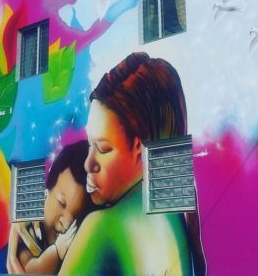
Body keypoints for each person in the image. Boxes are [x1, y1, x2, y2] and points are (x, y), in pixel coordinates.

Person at [60, 52, 206, 276]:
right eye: (90, 145)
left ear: (139, 148)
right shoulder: (177, 215)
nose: (88, 164)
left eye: (103, 148)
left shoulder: (102, 227)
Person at [6, 141, 94, 274]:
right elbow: (28, 269)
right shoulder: (29, 230)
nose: (67, 224)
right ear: (45, 194)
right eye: (61, 203)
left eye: (76, 216)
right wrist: (56, 252)